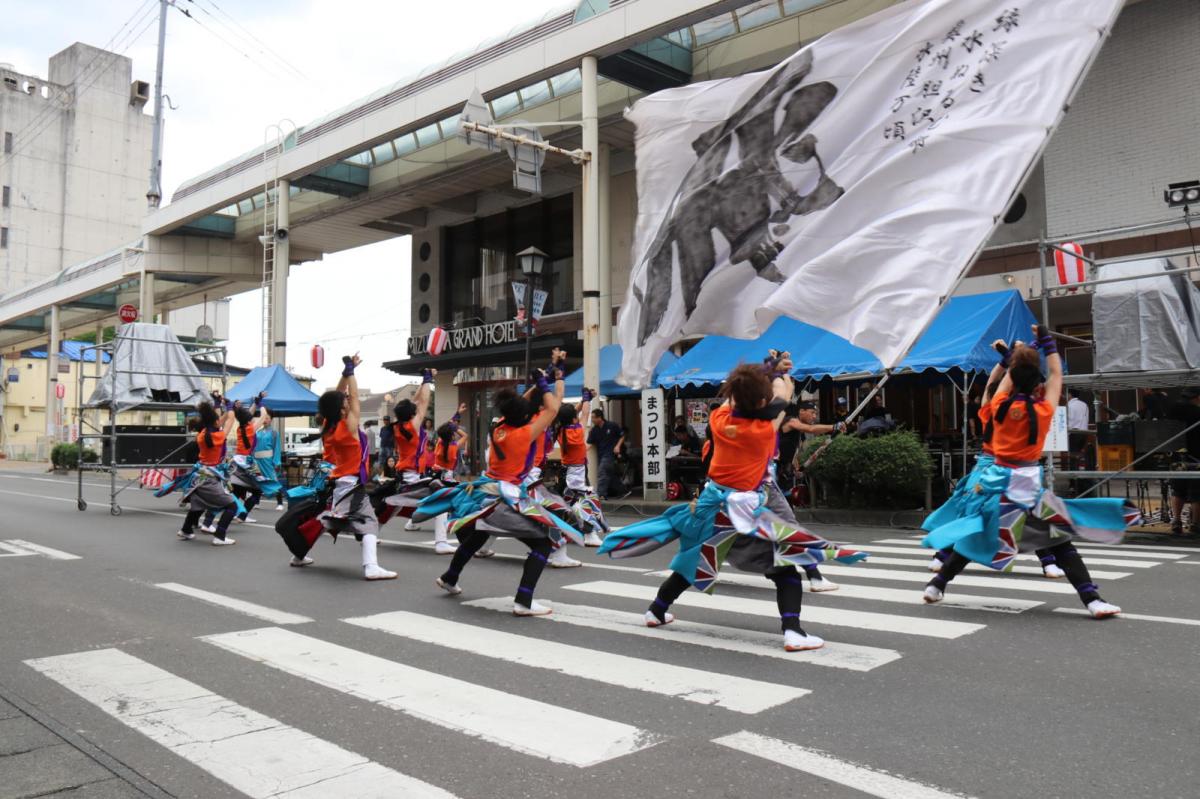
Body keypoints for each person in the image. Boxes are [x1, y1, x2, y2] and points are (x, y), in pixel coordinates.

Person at [598, 358, 867, 652]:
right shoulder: (762, 431)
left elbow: (751, 398)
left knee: (695, 561)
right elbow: (773, 408)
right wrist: (784, 386)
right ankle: (793, 631)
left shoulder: (720, 418)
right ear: (764, 401)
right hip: (746, 511)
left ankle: (656, 610)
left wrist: (767, 372)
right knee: (785, 568)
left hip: (713, 505)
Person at [921, 326, 1138, 618]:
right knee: (1061, 542)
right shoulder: (1043, 411)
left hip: (995, 486)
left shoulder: (996, 407)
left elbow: (999, 387)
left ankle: (937, 585)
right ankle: (1093, 600)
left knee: (975, 538)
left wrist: (1018, 357)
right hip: (1027, 489)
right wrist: (1047, 345)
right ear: (1038, 386)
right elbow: (1057, 376)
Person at [418, 367, 586, 616]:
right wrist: (549, 382)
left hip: (485, 494)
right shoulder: (522, 435)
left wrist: (540, 384)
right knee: (542, 543)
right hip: (503, 499)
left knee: (477, 537)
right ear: (524, 415)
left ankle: (450, 577)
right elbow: (552, 409)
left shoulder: (499, 427)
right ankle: (523, 601)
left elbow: (520, 405)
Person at [305, 355, 397, 580]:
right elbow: (354, 396)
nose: (347, 400)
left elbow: (336, 397)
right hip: (351, 483)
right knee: (370, 522)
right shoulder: (348, 426)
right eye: (344, 401)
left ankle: (299, 554)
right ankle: (371, 567)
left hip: (340, 482)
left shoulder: (329, 424)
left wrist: (345, 372)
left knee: (329, 520)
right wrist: (351, 373)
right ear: (341, 407)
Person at [778, 399, 846, 591]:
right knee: (789, 528)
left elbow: (789, 452)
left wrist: (794, 467)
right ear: (801, 412)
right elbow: (811, 429)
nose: (814, 417)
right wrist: (833, 426)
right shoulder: (791, 421)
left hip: (777, 480)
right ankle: (814, 576)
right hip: (768, 482)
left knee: (786, 528)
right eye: (812, 413)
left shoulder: (793, 428)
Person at [176, 395, 240, 546]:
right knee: (232, 506)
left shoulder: (203, 434)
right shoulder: (218, 435)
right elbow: (230, 419)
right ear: (215, 422)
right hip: (209, 478)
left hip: (199, 477)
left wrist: (219, 404)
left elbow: (221, 419)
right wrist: (230, 406)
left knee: (198, 505)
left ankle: (186, 530)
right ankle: (220, 536)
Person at [553, 386, 608, 547]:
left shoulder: (560, 429)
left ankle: (560, 530)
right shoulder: (576, 431)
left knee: (560, 502)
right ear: (573, 419)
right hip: (576, 473)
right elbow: (584, 414)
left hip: (565, 470)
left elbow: (571, 414)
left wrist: (584, 399)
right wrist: (587, 399)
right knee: (585, 502)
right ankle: (589, 534)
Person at [1167, 388, 1200, 536]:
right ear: (1197, 397)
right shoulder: (1197, 412)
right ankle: (1195, 524)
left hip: (1176, 456)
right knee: (1196, 493)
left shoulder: (1172, 410)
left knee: (1177, 490)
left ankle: (1176, 521)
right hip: (1196, 456)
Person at [588, 407, 628, 500]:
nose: (592, 420)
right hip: (601, 455)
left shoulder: (612, 425)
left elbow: (622, 436)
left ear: (600, 417)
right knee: (610, 474)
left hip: (610, 453)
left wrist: (617, 446)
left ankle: (601, 494)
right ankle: (623, 491)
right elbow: (590, 442)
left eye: (594, 417)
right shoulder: (594, 430)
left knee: (602, 471)